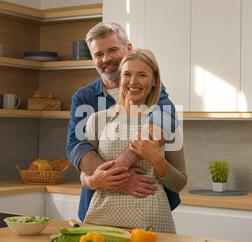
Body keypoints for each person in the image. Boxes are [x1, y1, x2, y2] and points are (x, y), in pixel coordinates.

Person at [66, 22, 180, 222]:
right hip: (99, 205)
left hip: (148, 210)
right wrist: (120, 180)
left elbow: (164, 119)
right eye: (98, 54)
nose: (106, 59)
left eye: (112, 50)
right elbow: (77, 147)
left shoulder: (151, 90)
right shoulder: (84, 98)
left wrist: (120, 166)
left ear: (129, 49)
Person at [82, 48, 187, 233]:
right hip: (102, 222)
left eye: (142, 75)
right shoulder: (98, 120)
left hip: (152, 223)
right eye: (127, 74)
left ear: (154, 81)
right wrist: (92, 181)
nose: (133, 81)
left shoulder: (165, 123)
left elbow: (179, 183)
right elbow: (85, 173)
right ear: (119, 79)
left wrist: (157, 159)